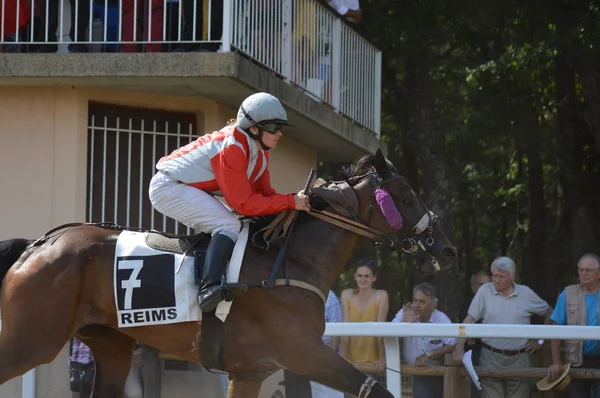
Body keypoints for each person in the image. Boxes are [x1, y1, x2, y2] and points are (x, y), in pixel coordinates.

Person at [148, 92, 310, 312]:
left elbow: (266, 195)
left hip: (184, 186)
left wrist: (296, 200)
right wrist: (291, 202)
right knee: (228, 224)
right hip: (168, 187)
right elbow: (243, 204)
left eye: (280, 128)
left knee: (238, 223)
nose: (279, 133)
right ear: (254, 129)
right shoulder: (232, 148)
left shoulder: (260, 152)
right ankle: (208, 288)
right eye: (274, 127)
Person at [452, 256, 553, 398]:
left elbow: (550, 313)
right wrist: (459, 346)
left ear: (512, 276)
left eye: (501, 276)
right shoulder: (485, 291)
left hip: (519, 359)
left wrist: (540, 342)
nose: (496, 280)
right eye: (494, 275)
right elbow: (469, 319)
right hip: (490, 357)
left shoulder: (525, 293)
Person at [546, 253, 600, 397]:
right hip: (576, 360)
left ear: (598, 274)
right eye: (580, 269)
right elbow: (555, 328)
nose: (583, 273)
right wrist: (556, 362)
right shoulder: (568, 293)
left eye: (588, 270)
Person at [392, 282, 455, 398]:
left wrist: (429, 354)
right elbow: (388, 334)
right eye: (415, 300)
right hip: (417, 372)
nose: (416, 305)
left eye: (422, 302)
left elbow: (453, 345)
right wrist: (404, 323)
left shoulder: (441, 319)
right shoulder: (406, 312)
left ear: (432, 306)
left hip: (439, 372)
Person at [340, 260, 389, 374]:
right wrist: (343, 355)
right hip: (351, 359)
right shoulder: (346, 295)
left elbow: (380, 329)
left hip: (373, 361)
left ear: (374, 278)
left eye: (367, 276)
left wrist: (382, 358)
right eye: (360, 276)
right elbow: (345, 328)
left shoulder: (381, 295)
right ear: (355, 277)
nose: (363, 280)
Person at [310, 290, 344, 398]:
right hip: (305, 357)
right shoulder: (297, 293)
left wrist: (330, 357)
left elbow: (337, 326)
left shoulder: (330, 296)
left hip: (327, 357)